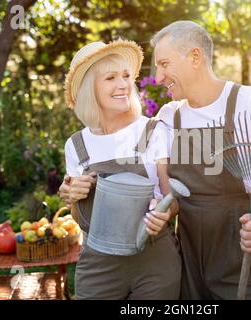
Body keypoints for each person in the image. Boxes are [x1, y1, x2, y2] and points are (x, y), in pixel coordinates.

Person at [150, 21, 251, 299]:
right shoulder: (169, 116)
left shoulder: (249, 104)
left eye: (164, 64)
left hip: (241, 264)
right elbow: (170, 197)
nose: (158, 77)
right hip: (188, 270)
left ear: (195, 57)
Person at [61, 39, 181, 299]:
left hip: (155, 259)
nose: (123, 84)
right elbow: (79, 216)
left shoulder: (153, 130)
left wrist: (165, 212)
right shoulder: (77, 145)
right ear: (88, 88)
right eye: (111, 77)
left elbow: (172, 196)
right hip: (98, 264)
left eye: (126, 75)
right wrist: (73, 195)